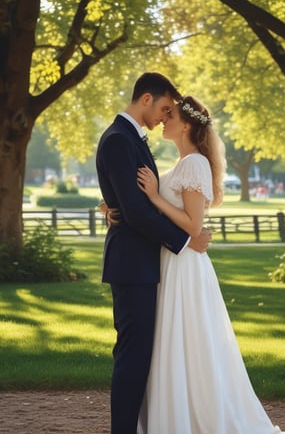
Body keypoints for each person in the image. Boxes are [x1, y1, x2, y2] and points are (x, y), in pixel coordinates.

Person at [136, 96, 285, 434]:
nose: (162, 120)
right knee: (172, 342)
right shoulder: (178, 166)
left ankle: (195, 417)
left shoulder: (195, 164)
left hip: (184, 266)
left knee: (189, 340)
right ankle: (172, 413)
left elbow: (194, 225)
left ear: (185, 125)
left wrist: (156, 198)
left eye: (169, 116)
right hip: (170, 264)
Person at [95, 73, 211, 434]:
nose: (164, 116)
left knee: (142, 354)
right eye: (163, 108)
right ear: (146, 99)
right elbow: (135, 210)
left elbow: (132, 203)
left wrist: (113, 205)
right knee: (133, 354)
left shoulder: (130, 139)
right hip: (132, 266)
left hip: (143, 264)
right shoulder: (119, 139)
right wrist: (184, 239)